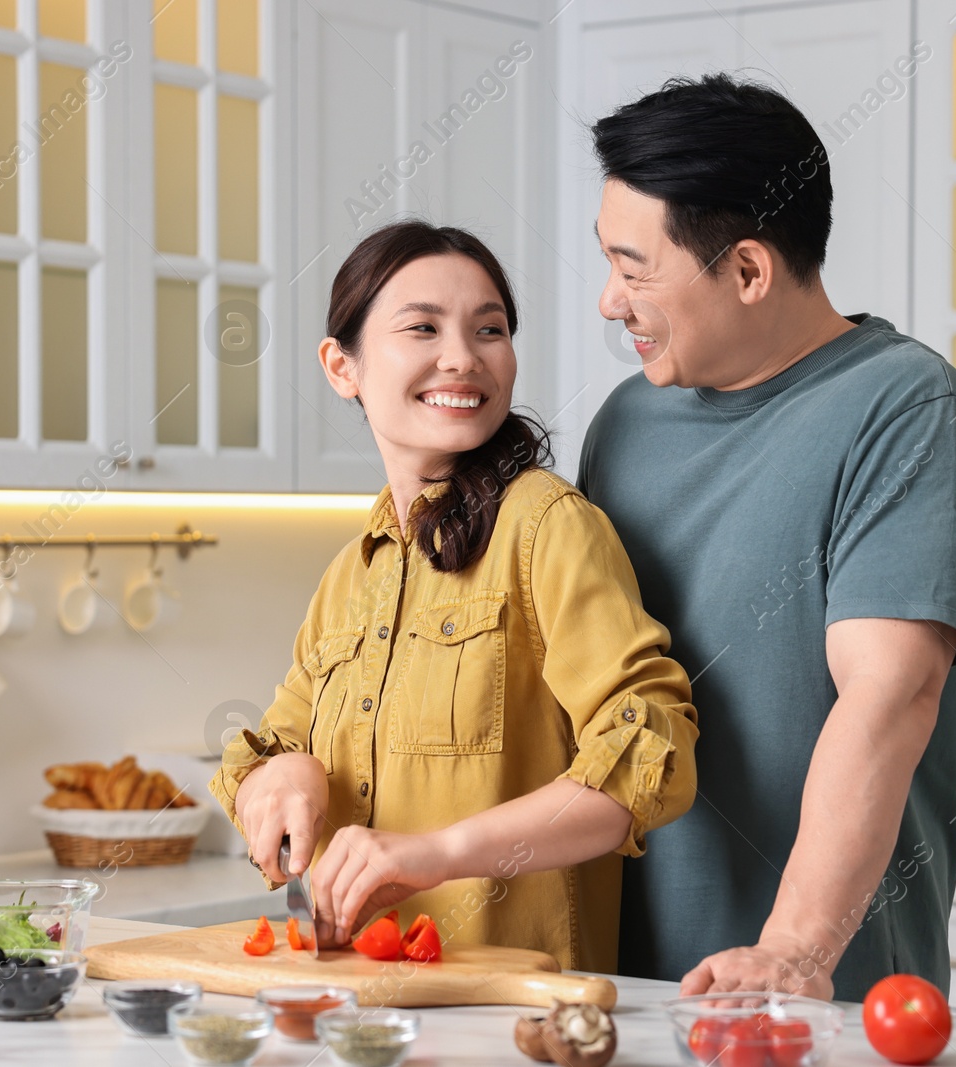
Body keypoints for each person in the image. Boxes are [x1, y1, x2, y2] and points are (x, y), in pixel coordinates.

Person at [579, 73, 956, 1000]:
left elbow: (890, 697)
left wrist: (791, 953)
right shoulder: (624, 425)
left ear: (746, 270)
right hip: (620, 989)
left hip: (821, 1001)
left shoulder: (911, 415)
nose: (609, 302)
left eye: (633, 267)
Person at [211, 220, 698, 972]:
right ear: (342, 366)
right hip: (360, 1007)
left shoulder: (546, 527)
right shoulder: (351, 574)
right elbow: (271, 749)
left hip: (514, 1018)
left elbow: (647, 755)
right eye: (423, 327)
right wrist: (282, 775)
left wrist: (441, 853)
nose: (464, 357)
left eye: (490, 329)